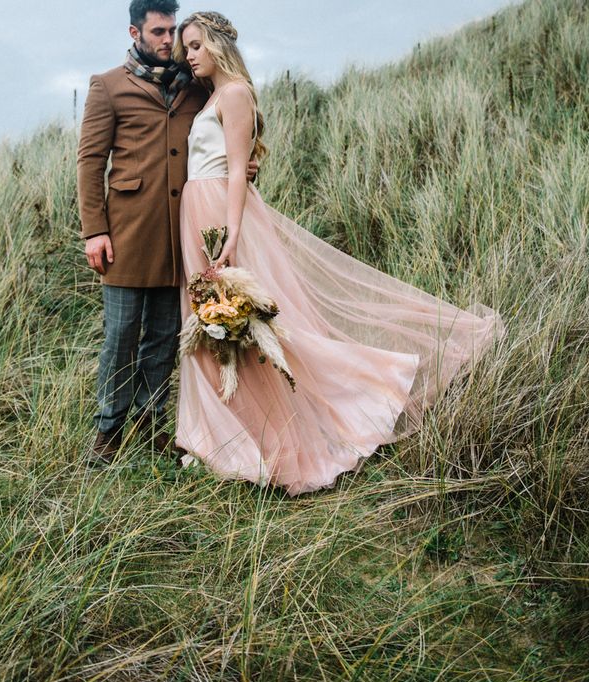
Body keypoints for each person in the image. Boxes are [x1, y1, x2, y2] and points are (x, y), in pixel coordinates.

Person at [173, 12, 504, 496]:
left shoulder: (237, 94)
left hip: (219, 219)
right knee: (213, 327)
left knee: (256, 326)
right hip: (197, 216)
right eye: (187, 47)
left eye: (197, 44)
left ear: (218, 45)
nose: (190, 54)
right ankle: (222, 438)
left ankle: (371, 387)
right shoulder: (215, 97)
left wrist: (232, 234)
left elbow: (239, 170)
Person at [77, 0, 208, 465]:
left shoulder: (195, 87)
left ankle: (150, 425)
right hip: (127, 234)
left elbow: (226, 132)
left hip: (180, 235)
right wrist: (95, 230)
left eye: (172, 30)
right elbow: (90, 162)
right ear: (136, 32)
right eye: (158, 31)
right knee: (121, 335)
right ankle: (107, 432)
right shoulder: (109, 86)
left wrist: (247, 164)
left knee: (165, 336)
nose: (168, 40)